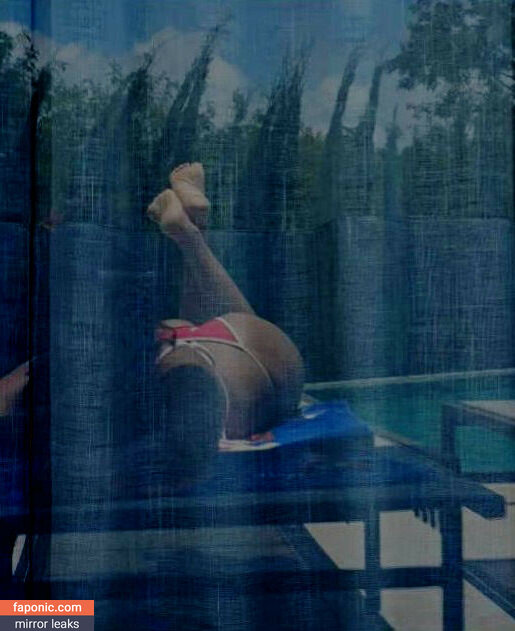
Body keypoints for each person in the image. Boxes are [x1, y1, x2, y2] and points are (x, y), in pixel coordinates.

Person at [147, 162, 305, 442]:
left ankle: (191, 232)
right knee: (205, 326)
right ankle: (192, 233)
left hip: (231, 376)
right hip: (214, 344)